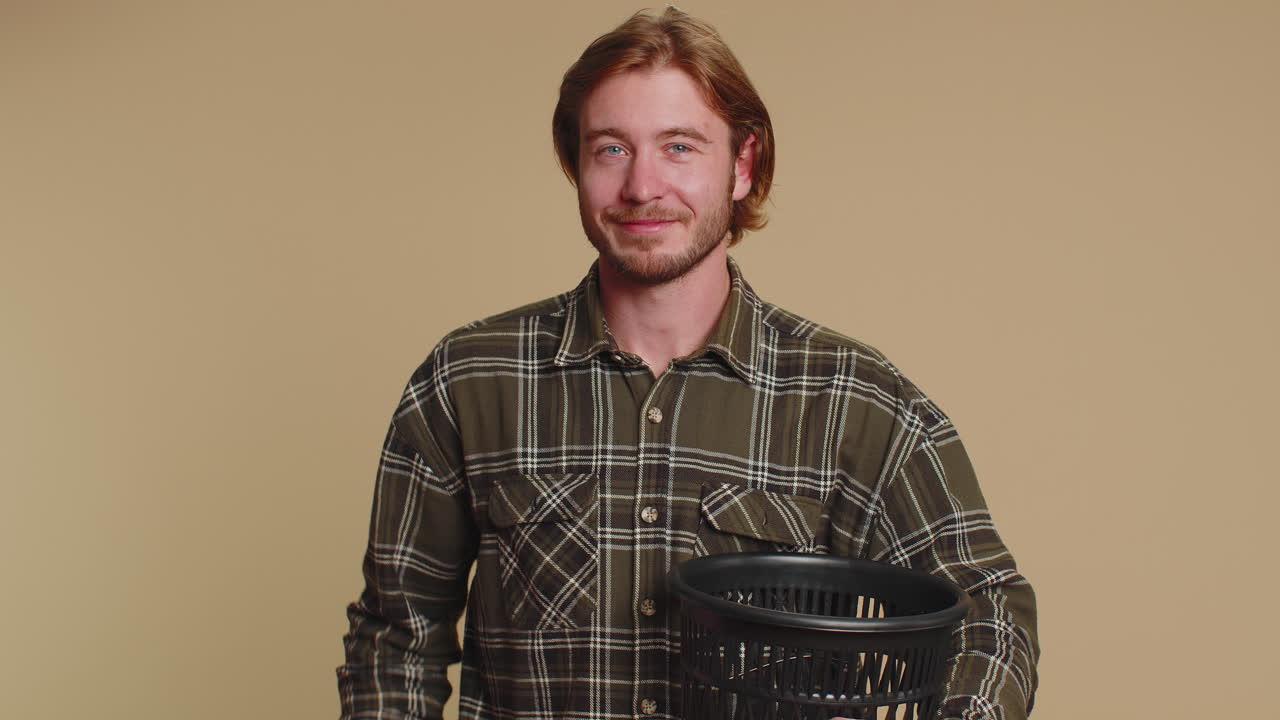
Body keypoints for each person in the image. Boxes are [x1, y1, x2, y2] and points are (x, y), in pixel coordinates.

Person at [338, 7, 1039, 720]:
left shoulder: (855, 402)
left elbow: (991, 614)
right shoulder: (468, 383)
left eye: (679, 147)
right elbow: (396, 641)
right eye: (611, 149)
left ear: (743, 164)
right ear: (575, 163)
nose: (643, 186)